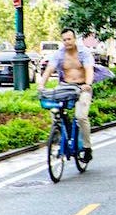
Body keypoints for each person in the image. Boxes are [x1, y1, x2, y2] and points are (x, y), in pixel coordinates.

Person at [38, 28, 96, 162]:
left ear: (75, 39)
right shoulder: (59, 54)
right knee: (54, 109)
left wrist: (88, 84)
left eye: (69, 39)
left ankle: (87, 148)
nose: (67, 42)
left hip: (82, 87)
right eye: (64, 40)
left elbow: (89, 69)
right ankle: (61, 133)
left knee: (81, 117)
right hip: (65, 87)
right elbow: (49, 69)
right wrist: (41, 85)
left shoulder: (84, 53)